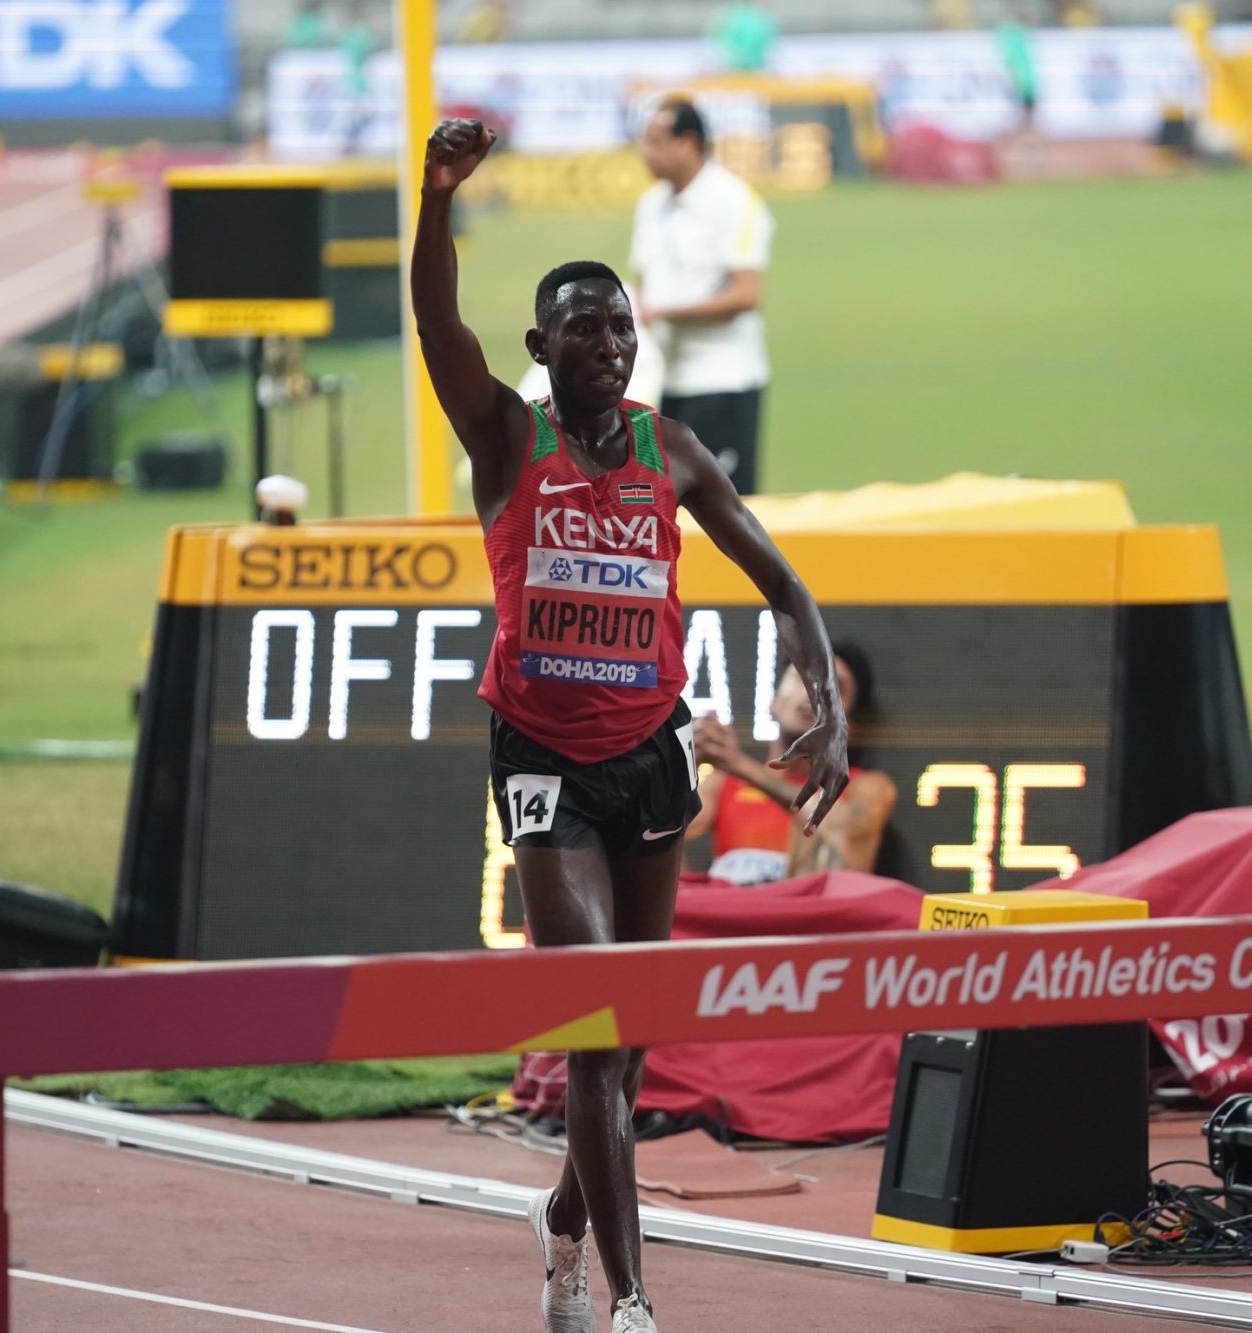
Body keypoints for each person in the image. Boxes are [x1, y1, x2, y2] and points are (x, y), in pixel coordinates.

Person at [412, 118, 850, 1333]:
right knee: (597, 1025)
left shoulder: (675, 450)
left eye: (620, 325)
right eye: (581, 328)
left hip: (649, 756)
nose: (606, 343)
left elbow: (789, 588)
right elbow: (434, 326)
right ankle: (633, 1299)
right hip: (542, 756)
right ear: (538, 347)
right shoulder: (507, 436)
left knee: (633, 1039)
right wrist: (437, 198)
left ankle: (562, 1214)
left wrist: (828, 707)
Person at [631, 99, 774, 495]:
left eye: (656, 141)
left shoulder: (734, 202)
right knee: (669, 511)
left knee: (728, 512)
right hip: (664, 385)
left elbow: (746, 294)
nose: (647, 153)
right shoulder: (650, 206)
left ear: (689, 144)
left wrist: (665, 312)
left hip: (723, 382)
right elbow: (644, 283)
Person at [686, 643, 897, 884]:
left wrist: (740, 765)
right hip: (729, 915)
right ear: (774, 702)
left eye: (835, 688)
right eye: (802, 679)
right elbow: (652, 837)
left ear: (847, 727)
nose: (814, 693)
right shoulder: (722, 784)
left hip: (809, 916)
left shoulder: (867, 787)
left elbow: (843, 831)